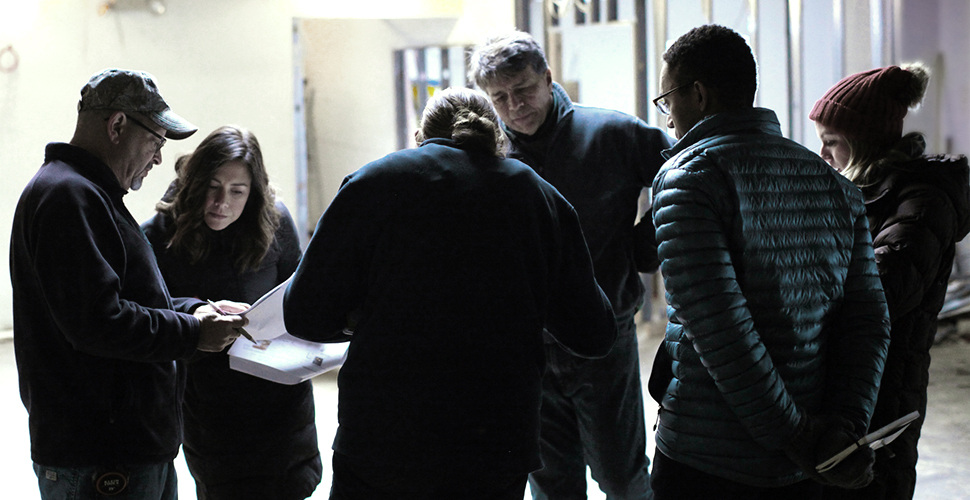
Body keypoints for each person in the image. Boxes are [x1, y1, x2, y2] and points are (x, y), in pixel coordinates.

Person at [282, 87, 617, 500]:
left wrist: (365, 317)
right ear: (498, 140)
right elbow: (595, 334)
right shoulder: (538, 197)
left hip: (384, 437)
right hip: (495, 443)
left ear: (421, 137)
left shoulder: (375, 182)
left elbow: (301, 313)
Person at [648, 25, 892, 499]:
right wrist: (841, 429)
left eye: (666, 100)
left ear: (696, 94)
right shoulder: (834, 184)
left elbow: (722, 332)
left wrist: (798, 436)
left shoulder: (688, 179)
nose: (669, 121)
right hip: (806, 467)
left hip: (707, 458)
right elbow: (868, 318)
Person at [9, 68, 245, 500]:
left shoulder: (88, 194)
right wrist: (194, 334)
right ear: (117, 125)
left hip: (124, 450)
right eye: (156, 140)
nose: (159, 159)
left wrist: (193, 309)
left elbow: (122, 300)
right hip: (101, 457)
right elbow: (98, 321)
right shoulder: (68, 196)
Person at [469, 30, 672, 499]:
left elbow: (684, 171)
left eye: (523, 89)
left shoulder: (611, 133)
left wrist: (646, 246)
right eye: (499, 97)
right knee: (551, 484)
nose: (514, 106)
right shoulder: (489, 158)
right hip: (525, 348)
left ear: (547, 76)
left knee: (621, 477)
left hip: (602, 341)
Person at [809, 64, 970, 500]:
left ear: (862, 142)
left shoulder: (921, 201)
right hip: (855, 385)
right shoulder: (866, 190)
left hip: (886, 391)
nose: (823, 155)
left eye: (832, 143)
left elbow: (883, 292)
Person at [141, 125, 323, 500]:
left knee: (291, 487)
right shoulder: (160, 232)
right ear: (195, 181)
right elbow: (147, 309)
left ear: (253, 193)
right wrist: (197, 312)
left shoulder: (275, 220)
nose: (222, 202)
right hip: (213, 407)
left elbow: (301, 292)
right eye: (213, 186)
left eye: (238, 191)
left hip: (282, 404)